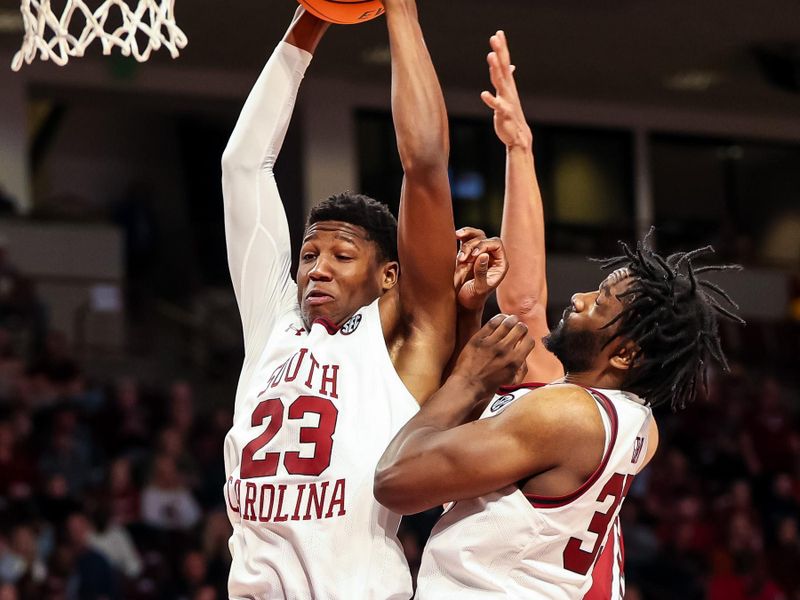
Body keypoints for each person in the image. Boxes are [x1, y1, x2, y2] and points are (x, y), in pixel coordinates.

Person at [375, 31, 745, 599]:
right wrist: (519, 149)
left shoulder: (567, 416)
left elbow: (396, 482)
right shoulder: (624, 419)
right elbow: (523, 308)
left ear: (624, 351)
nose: (574, 300)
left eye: (598, 304)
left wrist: (472, 376)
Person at [220, 1, 459, 597]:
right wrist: (311, 19)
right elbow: (243, 166)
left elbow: (424, 164)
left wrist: (400, 10)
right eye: (308, 255)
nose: (317, 269)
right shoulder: (274, 323)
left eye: (342, 257)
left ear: (387, 277)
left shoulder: (405, 344)